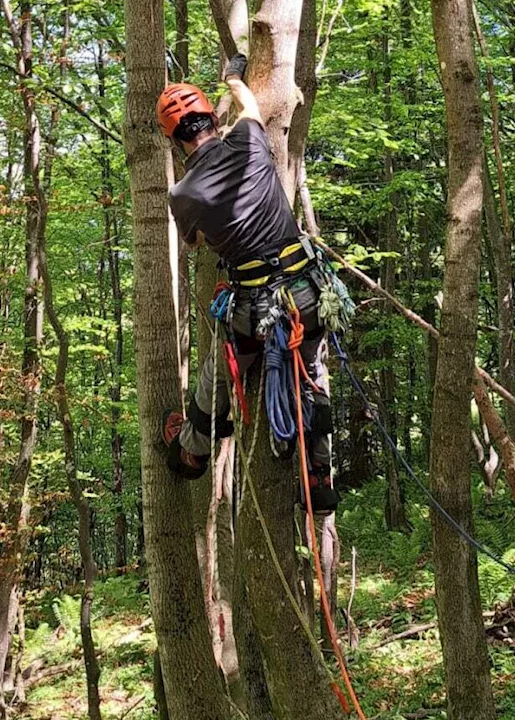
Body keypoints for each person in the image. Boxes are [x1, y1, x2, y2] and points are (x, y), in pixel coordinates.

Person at [156, 54, 343, 515]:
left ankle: (191, 450)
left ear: (175, 140)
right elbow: (250, 106)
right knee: (312, 375)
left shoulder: (183, 195)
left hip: (255, 313)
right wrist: (233, 78)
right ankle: (318, 480)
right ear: (211, 121)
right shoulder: (249, 142)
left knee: (218, 373)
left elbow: (197, 242)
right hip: (309, 295)